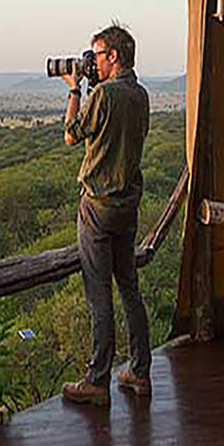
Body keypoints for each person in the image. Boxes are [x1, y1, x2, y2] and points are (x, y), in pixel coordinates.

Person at [59, 24, 151, 407]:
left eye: (96, 55)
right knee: (129, 287)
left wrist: (74, 88)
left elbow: (70, 134)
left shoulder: (103, 95)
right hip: (128, 205)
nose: (91, 62)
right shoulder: (140, 94)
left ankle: (98, 380)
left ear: (113, 56)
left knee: (99, 293)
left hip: (98, 205)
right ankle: (139, 370)